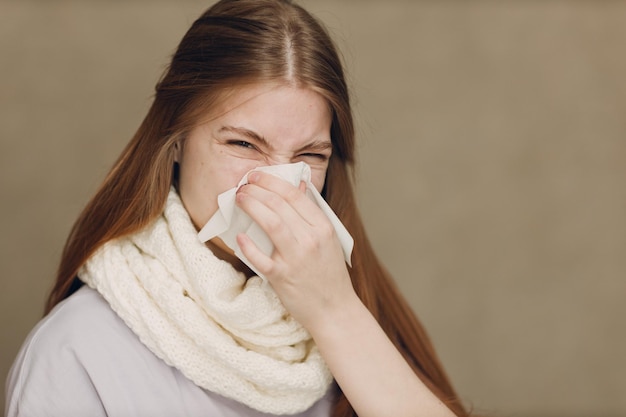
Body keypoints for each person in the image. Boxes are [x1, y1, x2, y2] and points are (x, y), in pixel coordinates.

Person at [5, 1, 470, 416]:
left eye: (309, 157)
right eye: (244, 143)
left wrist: (333, 310)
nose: (275, 183)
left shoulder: (365, 324)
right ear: (176, 142)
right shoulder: (78, 351)